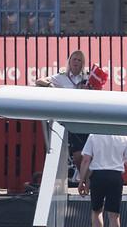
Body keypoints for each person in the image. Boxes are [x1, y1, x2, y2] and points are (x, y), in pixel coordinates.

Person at [38, 48, 93, 185]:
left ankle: (88, 182)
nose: (76, 62)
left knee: (88, 154)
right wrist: (51, 85)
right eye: (74, 59)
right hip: (70, 119)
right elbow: (39, 81)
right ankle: (85, 180)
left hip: (84, 119)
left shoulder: (86, 77)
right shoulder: (61, 77)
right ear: (69, 61)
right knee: (77, 154)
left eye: (79, 60)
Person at [78, 131, 127, 227]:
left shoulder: (93, 136)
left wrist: (81, 181)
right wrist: (118, 159)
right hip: (115, 176)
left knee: (97, 211)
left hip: (98, 176)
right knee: (114, 216)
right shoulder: (123, 137)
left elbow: (86, 159)